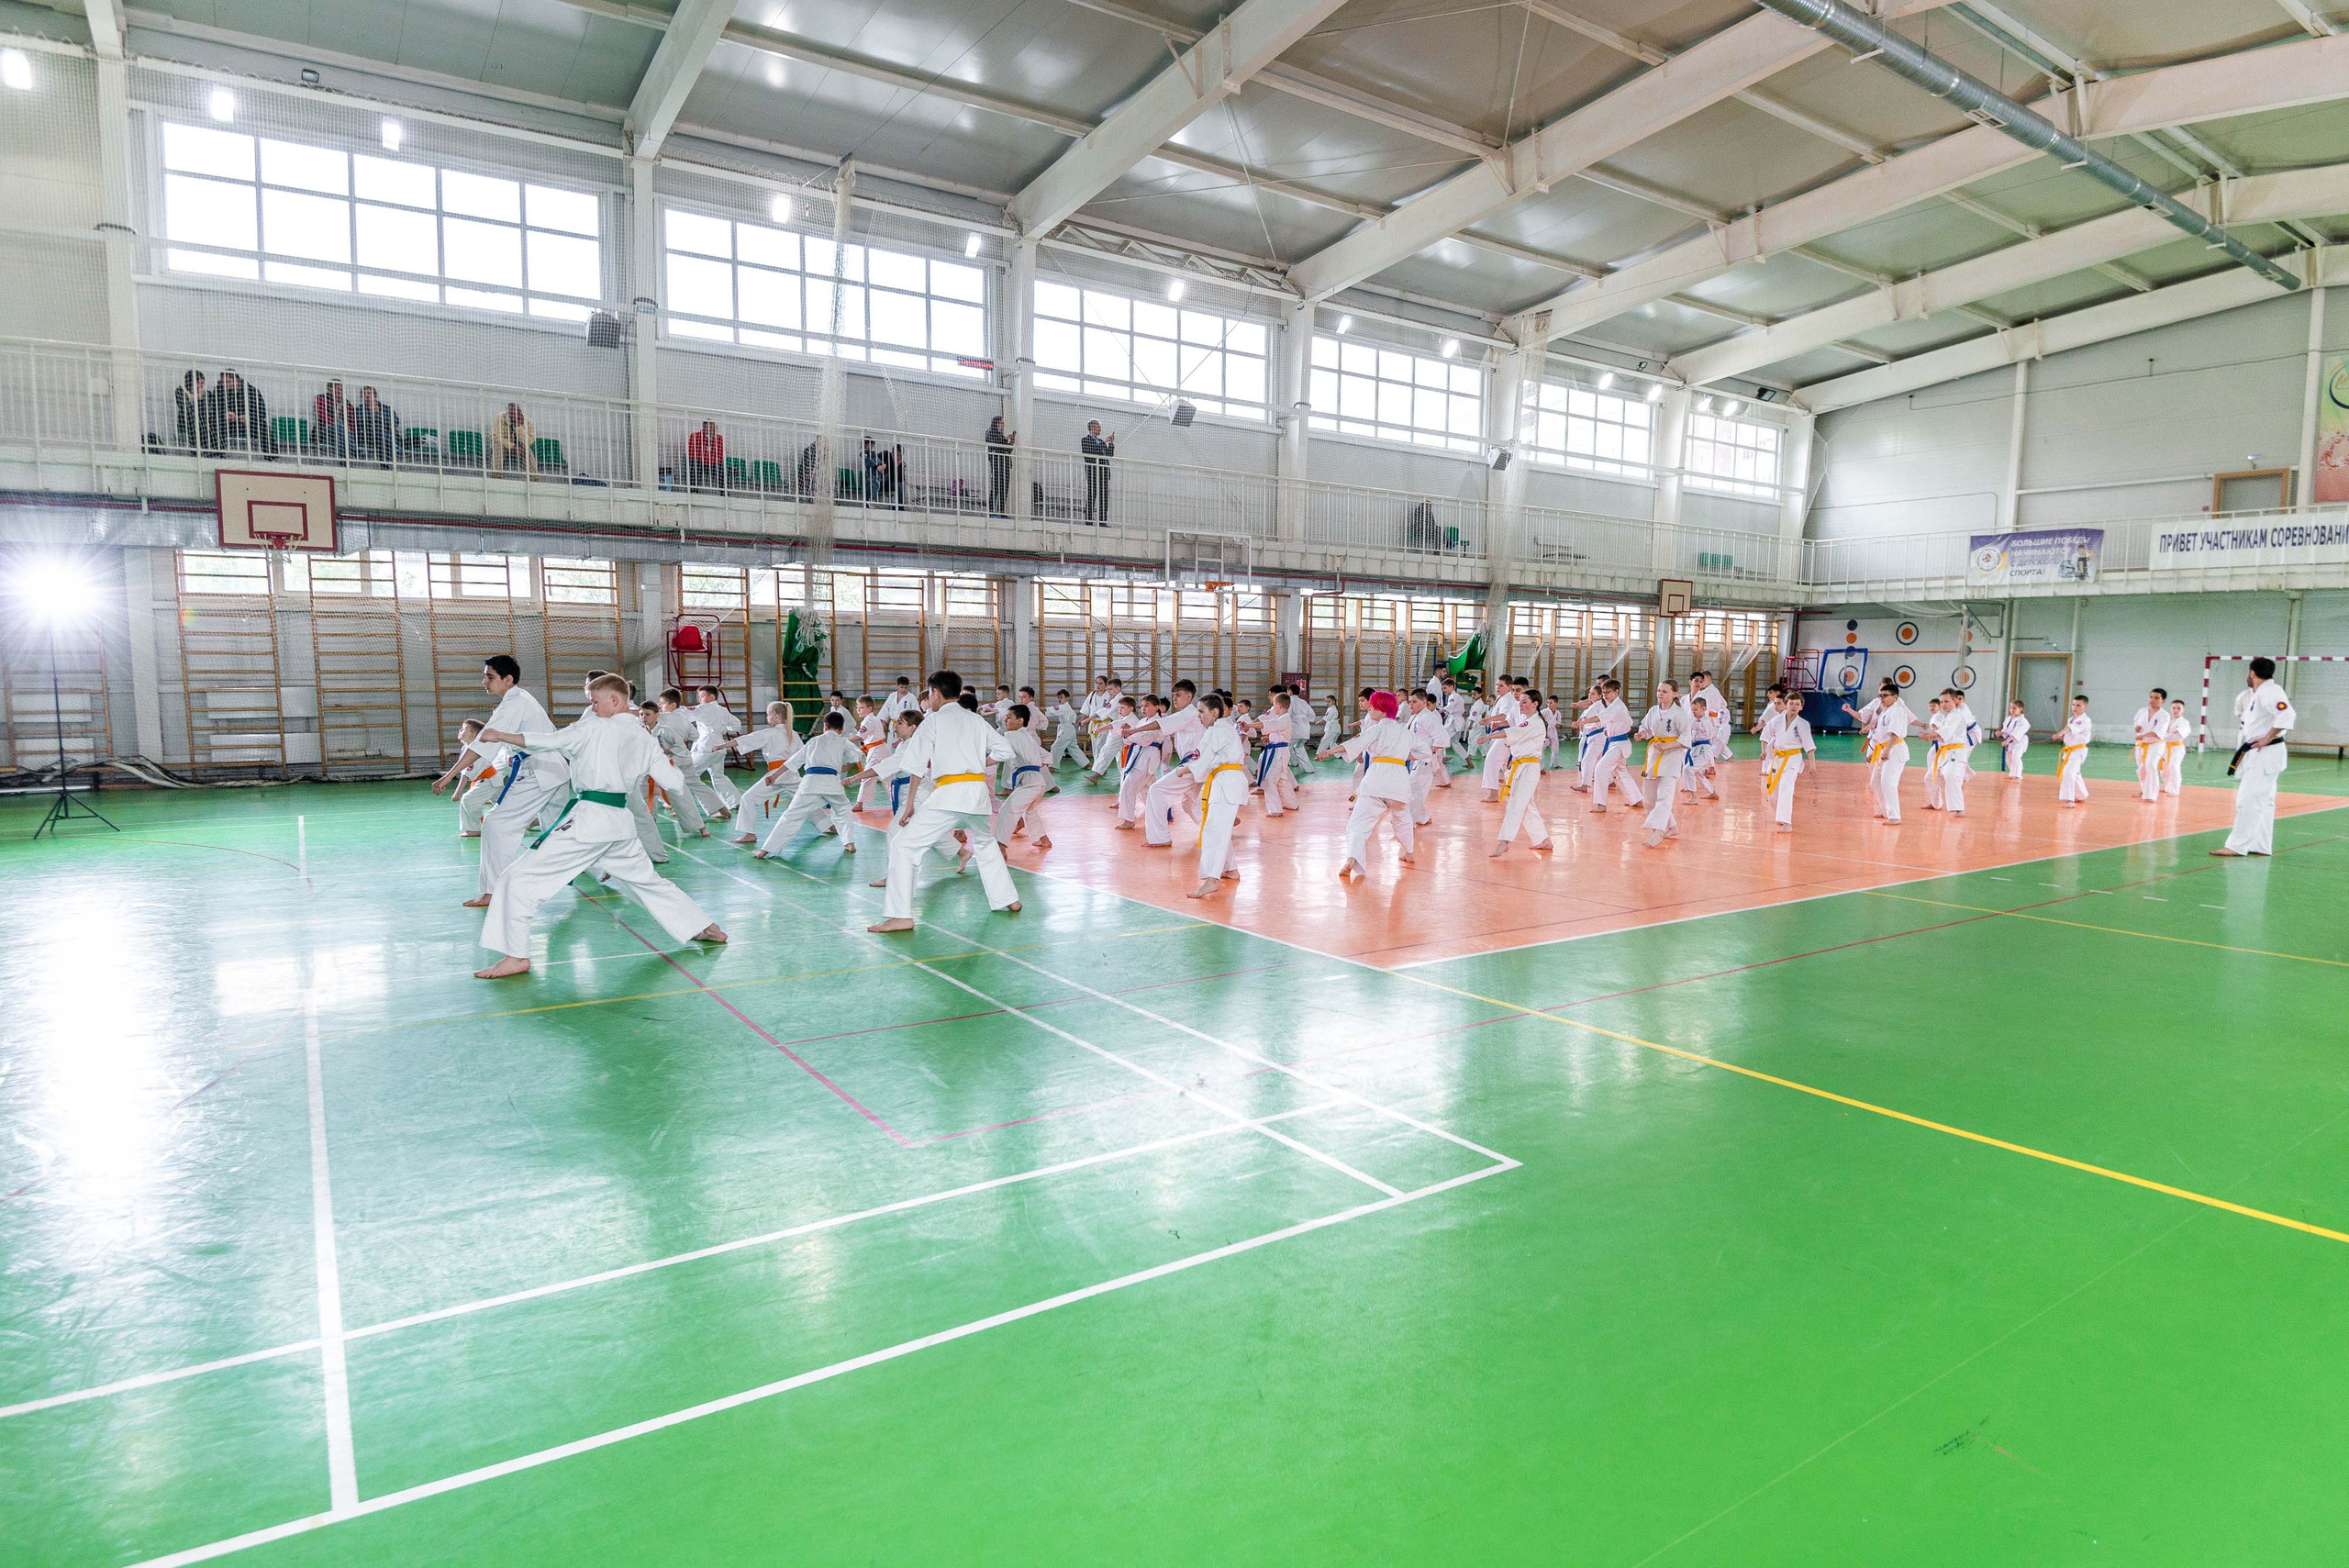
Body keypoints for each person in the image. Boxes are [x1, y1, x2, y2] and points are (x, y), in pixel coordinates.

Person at [469, 673, 727, 979]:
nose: (591, 707)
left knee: (516, 879)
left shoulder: (594, 728)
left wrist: (501, 736)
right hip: (620, 823)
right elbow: (675, 783)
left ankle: (516, 956)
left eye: (594, 701)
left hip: (589, 821)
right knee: (646, 882)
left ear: (614, 699)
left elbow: (550, 741)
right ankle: (704, 927)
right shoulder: (644, 736)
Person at [867, 670, 1023, 932]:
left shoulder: (933, 721)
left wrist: (909, 804)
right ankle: (1009, 899)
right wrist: (976, 764)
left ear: (936, 693)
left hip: (950, 794)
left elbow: (915, 766)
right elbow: (1005, 751)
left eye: (929, 693)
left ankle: (900, 915)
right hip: (977, 792)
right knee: (985, 844)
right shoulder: (975, 720)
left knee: (903, 845)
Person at [434, 656, 570, 906]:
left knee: (496, 824)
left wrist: (450, 775)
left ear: (508, 680)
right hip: (553, 770)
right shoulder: (521, 699)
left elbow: (481, 745)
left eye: (490, 676)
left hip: (540, 772)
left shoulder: (514, 703)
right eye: (485, 675)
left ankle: (493, 892)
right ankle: (602, 866)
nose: (484, 681)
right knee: (558, 831)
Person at [1335, 691, 1431, 880]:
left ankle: (1353, 858)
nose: (1370, 708)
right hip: (1399, 782)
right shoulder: (1405, 732)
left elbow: (1355, 743)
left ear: (1382, 709)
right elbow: (1426, 751)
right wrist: (1404, 756)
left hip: (1377, 781)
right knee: (1402, 819)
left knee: (1357, 824)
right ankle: (1409, 852)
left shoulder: (1377, 729)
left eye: (1373, 705)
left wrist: (1329, 752)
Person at [2214, 657, 2293, 855]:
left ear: (2252, 673)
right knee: (2264, 802)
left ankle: (2236, 846)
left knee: (2248, 800)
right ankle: (2260, 845)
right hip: (2261, 753)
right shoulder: (2259, 693)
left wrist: (2267, 738)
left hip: (2265, 752)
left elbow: (2287, 715)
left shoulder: (2270, 691)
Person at [757, 710, 863, 858]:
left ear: (824, 726)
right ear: (842, 730)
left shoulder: (813, 741)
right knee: (843, 810)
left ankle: (766, 850)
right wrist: (846, 767)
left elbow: (792, 762)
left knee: (792, 816)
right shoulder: (843, 741)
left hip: (810, 783)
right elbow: (857, 756)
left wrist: (774, 776)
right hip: (832, 782)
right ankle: (849, 842)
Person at [726, 702, 802, 838]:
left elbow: (746, 739)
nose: (767, 718)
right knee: (805, 801)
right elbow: (803, 755)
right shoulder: (794, 734)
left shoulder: (770, 733)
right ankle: (829, 826)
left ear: (777, 717)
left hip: (775, 776)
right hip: (792, 775)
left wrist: (722, 745)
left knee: (748, 798)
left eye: (768, 714)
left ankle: (749, 834)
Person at [1490, 695, 1553, 859]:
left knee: (1516, 803)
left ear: (1535, 704)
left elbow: (1514, 732)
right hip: (1521, 767)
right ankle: (1543, 840)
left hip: (1528, 768)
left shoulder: (1534, 722)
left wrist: (1489, 736)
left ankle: (1504, 842)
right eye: (1520, 703)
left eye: (1525, 702)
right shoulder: (1530, 721)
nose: (1521, 705)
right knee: (1526, 805)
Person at [1634, 679, 1693, 849]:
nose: (1660, 693)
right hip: (1654, 754)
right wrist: (1642, 734)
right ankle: (1672, 827)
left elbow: (1686, 738)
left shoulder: (1679, 713)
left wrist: (1668, 745)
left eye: (1665, 691)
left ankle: (1658, 832)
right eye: (1659, 690)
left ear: (1674, 694)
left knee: (1664, 796)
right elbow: (1645, 727)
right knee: (1649, 800)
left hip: (1672, 757)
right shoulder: (1653, 710)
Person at [995, 703, 1053, 852]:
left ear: (1020, 721)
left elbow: (997, 748)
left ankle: (1000, 846)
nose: (1005, 720)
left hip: (1030, 783)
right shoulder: (1027, 737)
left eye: (1009, 717)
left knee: (1007, 810)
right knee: (1030, 810)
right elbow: (1048, 757)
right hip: (1037, 782)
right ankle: (1043, 839)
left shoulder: (1011, 735)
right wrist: (1035, 765)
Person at [1757, 686, 1815, 833]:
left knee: (1786, 787)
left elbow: (1809, 746)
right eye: (1791, 704)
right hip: (1778, 758)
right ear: (1786, 704)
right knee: (1771, 792)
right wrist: (1763, 751)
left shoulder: (1803, 724)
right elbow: (1765, 735)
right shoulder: (1777, 720)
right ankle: (1781, 815)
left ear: (1801, 707)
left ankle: (1787, 823)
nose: (1794, 707)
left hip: (1793, 759)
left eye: (1797, 704)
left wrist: (1812, 765)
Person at [687, 684, 743, 813]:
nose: (699, 699)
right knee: (719, 776)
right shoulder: (723, 710)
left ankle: (685, 807)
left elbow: (685, 714)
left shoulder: (703, 708)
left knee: (688, 774)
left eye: (702, 696)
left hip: (706, 747)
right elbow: (736, 725)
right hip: (719, 746)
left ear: (711, 697)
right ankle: (735, 802)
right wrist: (721, 728)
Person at [201, 369, 272, 456]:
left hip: (247, 424)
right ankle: (218, 453)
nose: (225, 385)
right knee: (213, 421)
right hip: (228, 423)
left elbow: (262, 412)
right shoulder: (219, 390)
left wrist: (248, 417)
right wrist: (225, 414)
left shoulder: (252, 391)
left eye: (228, 382)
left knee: (263, 426)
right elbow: (215, 410)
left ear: (237, 381)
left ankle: (271, 457)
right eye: (223, 382)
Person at [2132, 688, 2169, 803]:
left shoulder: (2164, 715)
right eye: (2151, 697)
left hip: (2156, 744)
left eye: (2157, 698)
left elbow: (2157, 732)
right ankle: (2145, 790)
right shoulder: (2142, 711)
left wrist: (2142, 735)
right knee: (2141, 770)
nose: (2152, 700)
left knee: (2151, 765)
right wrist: (2137, 728)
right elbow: (2137, 724)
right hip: (2141, 745)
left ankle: (2151, 795)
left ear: (2163, 701)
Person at [2056, 695, 2093, 806]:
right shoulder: (2071, 719)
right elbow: (2071, 733)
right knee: (2075, 773)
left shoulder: (2085, 720)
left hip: (2078, 751)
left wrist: (2060, 733)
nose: (2074, 707)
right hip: (2070, 751)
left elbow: (2070, 729)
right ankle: (2082, 795)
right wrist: (2064, 737)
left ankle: (2070, 800)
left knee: (2068, 773)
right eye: (2073, 705)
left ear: (2085, 707)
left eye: (2078, 705)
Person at [352, 386, 398, 464]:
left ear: (375, 395)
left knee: (382, 441)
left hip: (384, 437)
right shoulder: (359, 410)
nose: (367, 395)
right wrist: (383, 421)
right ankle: (394, 446)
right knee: (377, 428)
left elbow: (396, 421)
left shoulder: (386, 408)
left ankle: (384, 466)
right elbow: (360, 422)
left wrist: (389, 424)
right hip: (369, 436)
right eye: (364, 394)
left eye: (369, 393)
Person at [1081, 420, 1115, 522]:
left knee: (1104, 496)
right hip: (1093, 472)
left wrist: (1111, 444)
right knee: (1092, 494)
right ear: (1092, 428)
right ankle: (1089, 519)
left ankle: (1103, 520)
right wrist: (1104, 442)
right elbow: (1092, 452)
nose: (1100, 429)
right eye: (1098, 427)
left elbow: (1109, 454)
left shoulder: (1100, 441)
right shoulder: (1085, 440)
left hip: (1103, 471)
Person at [490, 403, 538, 475]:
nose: (514, 415)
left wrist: (518, 426)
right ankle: (496, 475)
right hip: (505, 446)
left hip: (521, 447)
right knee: (498, 448)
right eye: (511, 413)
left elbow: (530, 442)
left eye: (516, 412)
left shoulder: (528, 422)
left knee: (529, 453)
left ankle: (533, 478)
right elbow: (496, 437)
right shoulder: (500, 417)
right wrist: (513, 447)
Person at [312, 380, 353, 461]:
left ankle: (344, 463)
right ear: (330, 389)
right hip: (324, 430)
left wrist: (350, 428)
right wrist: (342, 425)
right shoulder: (321, 399)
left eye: (342, 389)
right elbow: (322, 416)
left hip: (341, 433)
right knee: (340, 425)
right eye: (338, 388)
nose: (341, 391)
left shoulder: (346, 403)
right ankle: (355, 450)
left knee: (342, 438)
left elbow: (352, 418)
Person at [985, 415, 1015, 517]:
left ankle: (1002, 511)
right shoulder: (990, 432)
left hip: (1005, 463)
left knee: (1004, 488)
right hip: (997, 463)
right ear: (996, 423)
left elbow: (1008, 450)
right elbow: (995, 444)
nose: (1003, 425)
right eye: (1001, 423)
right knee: (996, 487)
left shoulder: (1001, 435)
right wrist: (1005, 438)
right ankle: (991, 511)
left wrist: (1011, 442)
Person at [685, 420, 726, 491]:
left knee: (722, 469)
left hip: (713, 464)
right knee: (694, 464)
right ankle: (693, 490)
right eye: (710, 428)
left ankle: (724, 492)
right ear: (704, 428)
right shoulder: (695, 436)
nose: (712, 430)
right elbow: (691, 453)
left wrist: (710, 460)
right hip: (699, 462)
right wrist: (706, 458)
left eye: (714, 428)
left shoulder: (719, 438)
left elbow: (720, 455)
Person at [2163, 698, 2191, 795]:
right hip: (2164, 747)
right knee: (2164, 770)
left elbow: (2181, 731)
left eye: (2178, 708)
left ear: (2183, 710)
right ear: (2170, 709)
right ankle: (2167, 787)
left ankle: (2174, 790)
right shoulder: (2166, 720)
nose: (2176, 710)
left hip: (2176, 748)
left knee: (2174, 767)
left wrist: (2171, 730)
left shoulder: (2184, 722)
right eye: (2174, 708)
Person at [173, 370, 206, 452]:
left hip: (201, 431)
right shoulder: (180, 391)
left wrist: (201, 398)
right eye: (200, 383)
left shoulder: (205, 394)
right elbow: (185, 409)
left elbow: (205, 412)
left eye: (203, 383)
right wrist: (197, 398)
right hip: (184, 429)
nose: (202, 386)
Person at [1998, 700, 2030, 780]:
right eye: (2011, 708)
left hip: (2020, 741)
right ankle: (2013, 773)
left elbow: (2016, 733)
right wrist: (2001, 733)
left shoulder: (2023, 721)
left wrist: (2007, 741)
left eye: (2015, 708)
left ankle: (2017, 775)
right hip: (2010, 741)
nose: (2012, 710)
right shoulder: (2008, 718)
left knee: (2016, 756)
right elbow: (2006, 730)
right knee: (2008, 759)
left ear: (2021, 709)